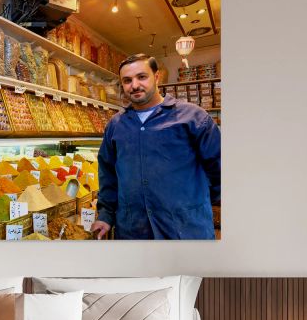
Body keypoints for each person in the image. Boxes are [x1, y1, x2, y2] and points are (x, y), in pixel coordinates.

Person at [91, 54, 220, 240]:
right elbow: (108, 175)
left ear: (157, 77)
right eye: (127, 80)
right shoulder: (116, 126)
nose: (134, 85)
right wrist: (105, 215)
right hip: (133, 233)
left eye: (142, 77)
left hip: (186, 233)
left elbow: (220, 169)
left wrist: (192, 202)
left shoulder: (193, 118)